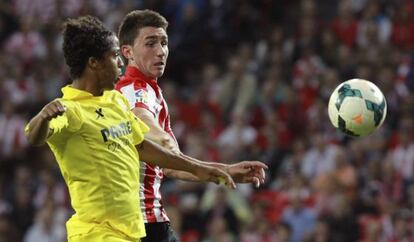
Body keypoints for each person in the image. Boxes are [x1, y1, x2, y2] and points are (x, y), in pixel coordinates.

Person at [25, 16, 239, 242]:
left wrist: (200, 169)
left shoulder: (115, 101)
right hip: (97, 234)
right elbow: (34, 135)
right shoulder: (70, 110)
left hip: (132, 233)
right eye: (114, 56)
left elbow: (143, 147)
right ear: (94, 63)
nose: (120, 63)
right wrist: (43, 117)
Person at [116, 9, 267, 242]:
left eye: (164, 43)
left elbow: (170, 166)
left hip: (144, 223)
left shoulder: (150, 93)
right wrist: (212, 169)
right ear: (128, 52)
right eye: (150, 43)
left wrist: (224, 172)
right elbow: (160, 141)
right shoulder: (134, 91)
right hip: (141, 225)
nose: (160, 51)